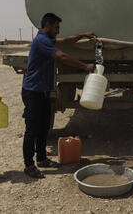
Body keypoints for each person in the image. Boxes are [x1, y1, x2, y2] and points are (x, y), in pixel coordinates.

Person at [22, 13, 96, 178]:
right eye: (56, 27)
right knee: (32, 130)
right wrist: (85, 66)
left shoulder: (47, 39)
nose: (58, 31)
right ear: (47, 25)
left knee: (43, 128)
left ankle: (41, 159)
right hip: (33, 92)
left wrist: (82, 35)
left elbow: (65, 42)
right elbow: (61, 56)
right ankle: (29, 165)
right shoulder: (41, 41)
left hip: (42, 91)